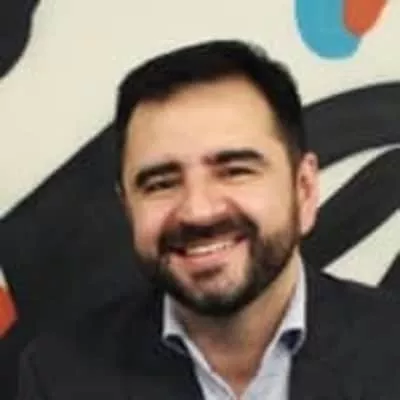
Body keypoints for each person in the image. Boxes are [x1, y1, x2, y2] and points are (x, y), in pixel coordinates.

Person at [16, 40, 400, 400]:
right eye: (161, 183)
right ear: (128, 206)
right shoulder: (59, 378)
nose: (198, 211)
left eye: (235, 171)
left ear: (304, 189)